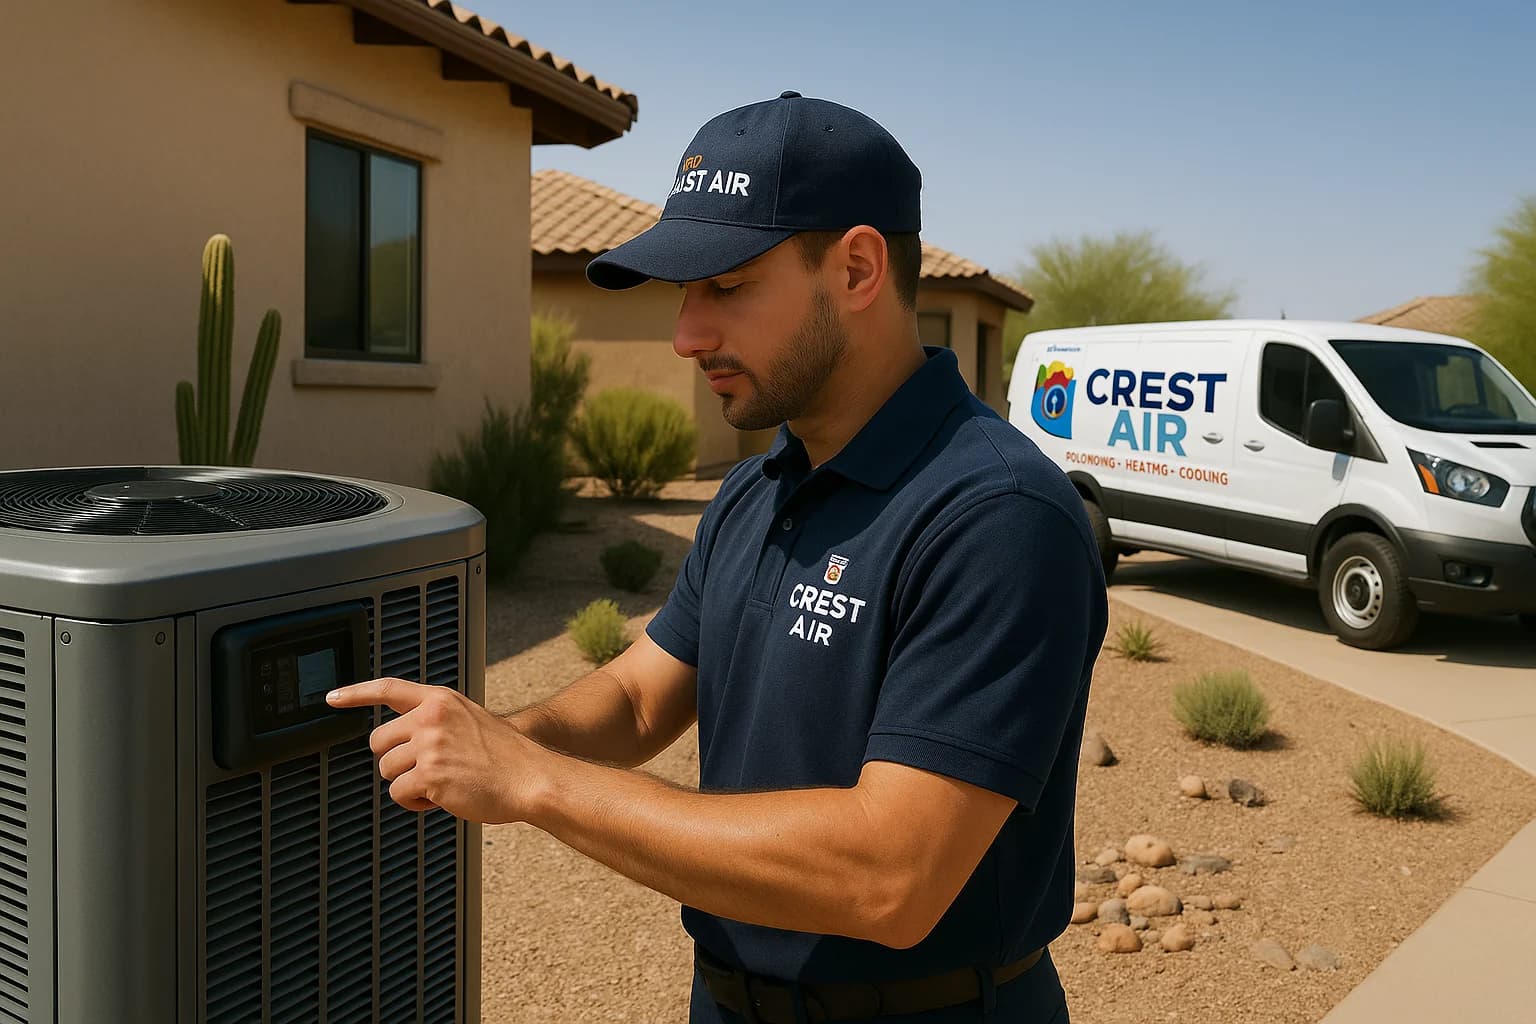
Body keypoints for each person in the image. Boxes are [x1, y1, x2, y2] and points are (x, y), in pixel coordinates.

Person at [328, 91, 1107, 1023]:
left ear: (856, 267)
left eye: (726, 287)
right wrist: (494, 743)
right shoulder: (757, 490)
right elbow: (640, 694)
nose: (687, 336)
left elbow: (891, 875)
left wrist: (536, 783)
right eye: (685, 294)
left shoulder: (996, 515)